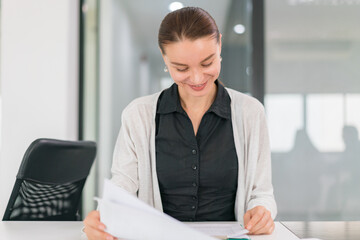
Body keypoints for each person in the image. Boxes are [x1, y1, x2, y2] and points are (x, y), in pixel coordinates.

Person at [84, 7, 277, 240]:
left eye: (207, 63)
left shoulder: (250, 113)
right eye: (181, 68)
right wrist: (105, 217)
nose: (196, 79)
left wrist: (262, 212)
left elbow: (262, 193)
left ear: (219, 47)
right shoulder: (138, 115)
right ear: (164, 57)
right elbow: (122, 184)